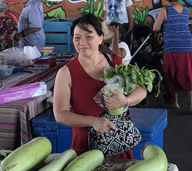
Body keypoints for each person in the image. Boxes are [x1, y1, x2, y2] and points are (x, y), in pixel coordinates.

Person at [52, 13, 147, 158]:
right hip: (86, 145)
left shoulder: (115, 63)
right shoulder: (66, 73)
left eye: (88, 36)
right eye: (77, 37)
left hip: (117, 140)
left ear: (100, 38)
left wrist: (126, 101)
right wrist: (93, 122)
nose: (82, 42)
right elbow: (60, 115)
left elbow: (141, 90)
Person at [153, 0, 192, 115]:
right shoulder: (186, 9)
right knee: (190, 73)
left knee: (172, 73)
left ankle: (175, 102)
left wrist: (161, 32)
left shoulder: (164, 10)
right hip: (188, 45)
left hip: (172, 46)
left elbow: (155, 27)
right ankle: (191, 104)